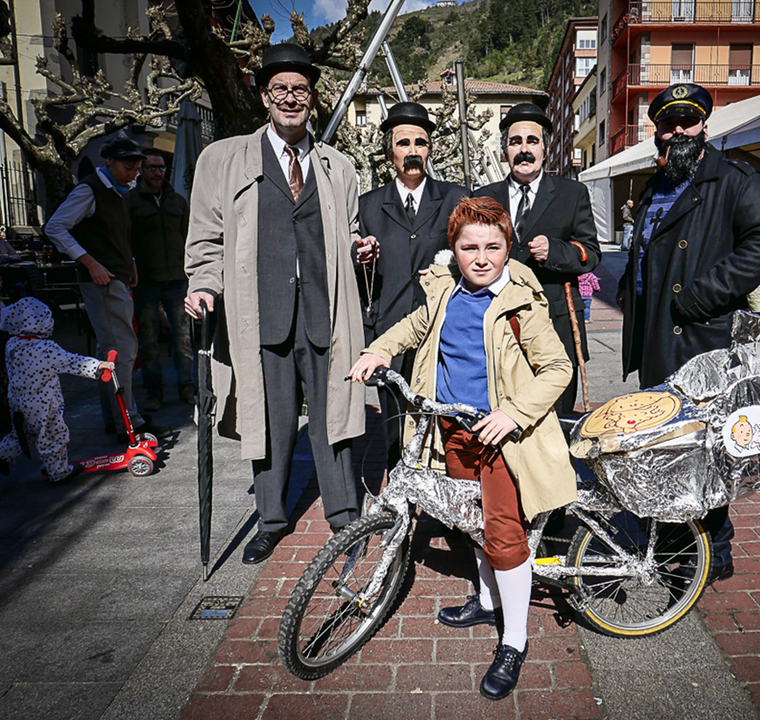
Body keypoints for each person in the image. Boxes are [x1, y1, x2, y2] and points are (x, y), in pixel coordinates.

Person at [348, 197, 576, 701]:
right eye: (469, 247)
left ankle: (514, 641)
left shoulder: (520, 301)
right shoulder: (446, 289)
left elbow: (558, 368)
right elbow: (416, 326)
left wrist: (512, 413)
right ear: (453, 248)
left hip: (502, 437)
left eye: (493, 247)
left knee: (503, 534)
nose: (481, 258)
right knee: (470, 521)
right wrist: (378, 350)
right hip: (453, 429)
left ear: (508, 247)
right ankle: (489, 602)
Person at [184, 44, 367, 564]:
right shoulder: (222, 160)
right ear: (264, 97)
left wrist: (360, 248)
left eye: (300, 90)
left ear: (313, 99)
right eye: (280, 89)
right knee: (269, 419)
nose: (291, 98)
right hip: (260, 315)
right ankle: (270, 521)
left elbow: (348, 230)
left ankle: (344, 517)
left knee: (335, 416)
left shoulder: (338, 166)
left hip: (325, 314)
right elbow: (206, 239)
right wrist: (204, 285)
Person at [618, 83, 760, 585]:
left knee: (706, 449)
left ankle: (714, 551)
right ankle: (676, 538)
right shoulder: (655, 184)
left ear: (703, 128)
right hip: (657, 336)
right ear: (656, 131)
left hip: (700, 335)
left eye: (687, 121)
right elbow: (646, 249)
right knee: (667, 444)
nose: (678, 131)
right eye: (668, 123)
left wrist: (703, 294)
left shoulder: (732, 179)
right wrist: (630, 287)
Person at [357, 101, 468, 467]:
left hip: (440, 326)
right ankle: (398, 486)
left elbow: (473, 254)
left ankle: (441, 489)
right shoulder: (368, 206)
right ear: (390, 152)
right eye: (403, 143)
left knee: (442, 416)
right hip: (390, 326)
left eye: (420, 142)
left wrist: (448, 269)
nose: (413, 151)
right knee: (393, 421)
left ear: (430, 149)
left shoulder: (454, 198)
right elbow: (357, 274)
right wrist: (361, 258)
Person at [473, 103, 601, 414]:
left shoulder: (572, 194)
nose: (524, 150)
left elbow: (591, 253)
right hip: (499, 322)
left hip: (555, 323)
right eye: (515, 142)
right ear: (504, 150)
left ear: (545, 149)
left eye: (532, 141)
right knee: (502, 412)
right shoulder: (483, 198)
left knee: (556, 414)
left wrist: (554, 251)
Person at [45, 136, 171, 442]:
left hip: (115, 276)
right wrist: (91, 263)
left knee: (112, 353)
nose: (134, 174)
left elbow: (113, 234)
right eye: (129, 167)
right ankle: (128, 423)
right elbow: (55, 227)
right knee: (121, 351)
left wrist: (130, 262)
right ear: (110, 162)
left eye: (137, 168)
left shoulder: (116, 192)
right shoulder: (90, 190)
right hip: (103, 281)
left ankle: (119, 420)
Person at [0, 297, 114, 482]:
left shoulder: (12, 344)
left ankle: (3, 456)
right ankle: (59, 473)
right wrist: (99, 365)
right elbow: (73, 361)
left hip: (18, 402)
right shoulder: (45, 348)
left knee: (21, 432)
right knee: (53, 435)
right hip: (43, 406)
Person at [126, 148, 195, 411]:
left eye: (161, 167)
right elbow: (125, 238)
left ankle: (187, 387)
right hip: (145, 280)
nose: (157, 172)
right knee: (149, 340)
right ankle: (154, 392)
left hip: (177, 278)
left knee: (183, 338)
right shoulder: (130, 201)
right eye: (152, 167)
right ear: (141, 170)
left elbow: (187, 235)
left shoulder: (177, 201)